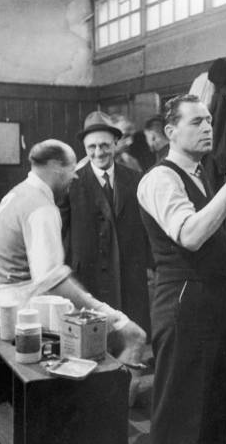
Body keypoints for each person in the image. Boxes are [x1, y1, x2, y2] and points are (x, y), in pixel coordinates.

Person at [137, 94, 226, 444]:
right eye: (196, 122)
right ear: (170, 131)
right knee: (182, 407)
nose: (207, 127)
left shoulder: (200, 172)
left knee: (211, 404)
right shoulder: (161, 178)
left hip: (208, 301)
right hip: (184, 302)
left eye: (208, 120)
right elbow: (190, 235)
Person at [0, 139, 146, 366]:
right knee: (135, 336)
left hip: (11, 301)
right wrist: (112, 316)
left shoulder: (19, 192)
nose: (75, 176)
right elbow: (52, 282)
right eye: (72, 169)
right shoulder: (41, 207)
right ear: (55, 167)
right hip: (29, 310)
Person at [62, 114, 151, 337]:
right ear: (84, 147)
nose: (99, 152)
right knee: (94, 338)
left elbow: (146, 227)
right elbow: (62, 232)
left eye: (104, 145)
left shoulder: (135, 179)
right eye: (92, 147)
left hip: (129, 273)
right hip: (89, 275)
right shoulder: (71, 183)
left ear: (115, 144)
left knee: (132, 336)